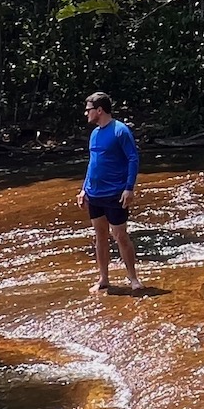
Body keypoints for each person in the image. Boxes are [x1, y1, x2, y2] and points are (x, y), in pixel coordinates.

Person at [78, 90, 141, 294]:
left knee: (120, 236)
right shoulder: (95, 133)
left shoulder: (120, 131)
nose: (86, 114)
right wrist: (83, 189)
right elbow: (92, 164)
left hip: (115, 193)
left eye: (88, 110)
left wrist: (129, 188)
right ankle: (104, 278)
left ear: (99, 110)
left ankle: (133, 278)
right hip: (95, 194)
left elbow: (133, 158)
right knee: (100, 235)